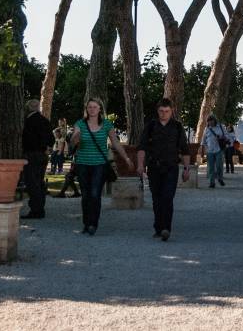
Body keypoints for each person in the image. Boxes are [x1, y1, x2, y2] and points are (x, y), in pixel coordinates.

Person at [71, 98, 132, 235]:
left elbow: (115, 143)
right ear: (87, 109)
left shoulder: (106, 124)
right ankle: (86, 224)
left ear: (100, 109)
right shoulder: (80, 124)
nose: (92, 109)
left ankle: (93, 224)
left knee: (95, 194)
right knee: (85, 195)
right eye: (89, 107)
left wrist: (126, 158)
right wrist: (75, 138)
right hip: (82, 164)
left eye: (95, 107)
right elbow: (73, 143)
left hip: (99, 164)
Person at [137, 98, 188, 241]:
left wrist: (186, 168)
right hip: (154, 167)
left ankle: (166, 228)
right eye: (161, 111)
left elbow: (184, 149)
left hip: (171, 167)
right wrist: (140, 165)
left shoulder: (177, 127)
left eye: (167, 111)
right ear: (157, 111)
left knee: (168, 197)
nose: (164, 114)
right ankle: (158, 227)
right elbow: (142, 147)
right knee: (156, 199)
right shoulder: (151, 126)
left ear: (172, 111)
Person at [21, 100, 55, 220]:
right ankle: (40, 208)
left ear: (28, 108)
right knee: (39, 182)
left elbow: (27, 139)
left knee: (32, 182)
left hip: (31, 154)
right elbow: (51, 139)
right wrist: (46, 147)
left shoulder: (28, 122)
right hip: (42, 154)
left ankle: (36, 209)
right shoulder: (45, 120)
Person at [201, 115, 227, 188]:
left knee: (219, 165)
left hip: (219, 149)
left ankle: (220, 178)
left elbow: (226, 136)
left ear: (215, 120)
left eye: (211, 121)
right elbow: (203, 141)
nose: (210, 123)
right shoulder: (206, 129)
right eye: (209, 121)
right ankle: (212, 182)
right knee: (211, 167)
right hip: (210, 151)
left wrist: (221, 137)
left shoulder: (221, 127)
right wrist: (204, 150)